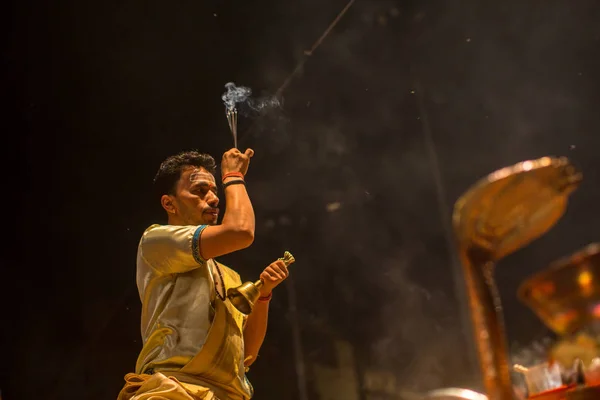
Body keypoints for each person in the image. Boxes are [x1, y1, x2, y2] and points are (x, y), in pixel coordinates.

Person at [117, 148, 290, 400]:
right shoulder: (156, 241)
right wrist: (232, 176)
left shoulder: (229, 276)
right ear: (169, 203)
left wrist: (263, 295)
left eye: (214, 191)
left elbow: (246, 356)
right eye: (199, 191)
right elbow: (240, 231)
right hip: (174, 389)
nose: (213, 198)